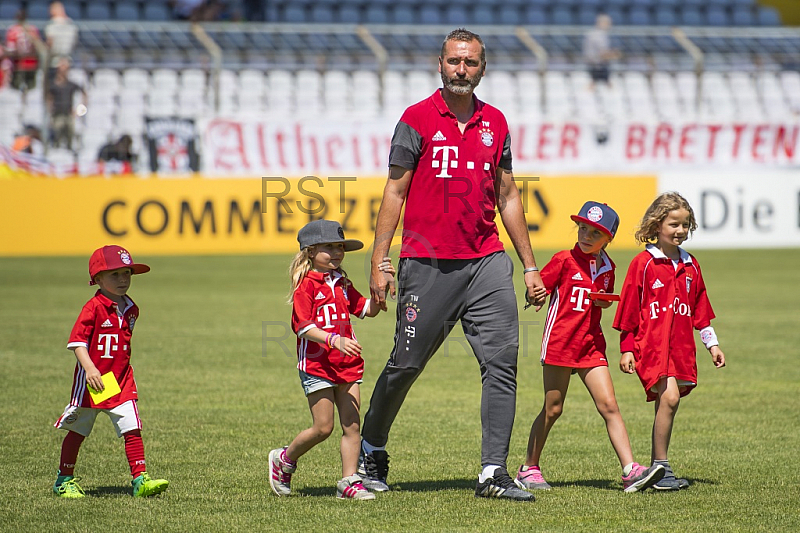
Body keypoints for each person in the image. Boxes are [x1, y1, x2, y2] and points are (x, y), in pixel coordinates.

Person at [358, 28, 547, 502]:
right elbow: (394, 192)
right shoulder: (416, 119)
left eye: (471, 63)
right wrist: (380, 261)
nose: (462, 70)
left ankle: (492, 472)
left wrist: (528, 265)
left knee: (502, 363)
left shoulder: (496, 123)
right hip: (425, 264)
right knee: (405, 364)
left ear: (484, 68)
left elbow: (507, 195)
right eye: (454, 62)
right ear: (439, 64)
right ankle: (371, 446)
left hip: (486, 261)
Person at [515, 201, 665, 494]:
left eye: (594, 232)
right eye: (582, 228)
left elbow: (602, 298)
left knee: (609, 406)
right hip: (561, 342)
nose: (585, 235)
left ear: (608, 238)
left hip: (591, 344)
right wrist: (535, 295)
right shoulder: (562, 259)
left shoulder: (609, 268)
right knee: (553, 408)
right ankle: (528, 468)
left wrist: (604, 301)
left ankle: (630, 471)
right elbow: (537, 290)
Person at [268, 219, 394, 500]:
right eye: (329, 247)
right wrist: (334, 340)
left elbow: (367, 309)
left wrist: (383, 288)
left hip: (347, 364)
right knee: (323, 427)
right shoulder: (306, 285)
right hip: (317, 365)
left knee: (352, 426)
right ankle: (284, 459)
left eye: (340, 247)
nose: (337, 253)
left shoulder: (343, 283)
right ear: (310, 251)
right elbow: (302, 326)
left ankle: (349, 481)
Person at [613, 192, 726, 491]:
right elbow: (629, 308)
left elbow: (701, 310)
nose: (680, 231)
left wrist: (711, 344)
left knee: (667, 401)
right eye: (674, 224)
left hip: (680, 350)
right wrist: (626, 348)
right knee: (671, 398)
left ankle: (657, 469)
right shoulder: (644, 263)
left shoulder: (691, 265)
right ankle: (661, 467)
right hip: (650, 348)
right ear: (657, 224)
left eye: (685, 225)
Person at [53, 245, 169, 498]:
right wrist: (90, 368)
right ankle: (64, 479)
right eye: (114, 274)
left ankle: (140, 480)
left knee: (132, 426)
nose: (123, 279)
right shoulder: (93, 307)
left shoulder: (131, 308)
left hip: (121, 379)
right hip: (94, 381)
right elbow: (77, 342)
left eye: (126, 273)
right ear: (97, 279)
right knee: (79, 430)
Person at [46, 56, 84, 150]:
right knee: (56, 135)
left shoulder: (71, 85)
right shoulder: (53, 85)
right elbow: (49, 98)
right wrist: (50, 109)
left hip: (68, 114)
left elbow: (84, 94)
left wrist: (79, 109)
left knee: (70, 135)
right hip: (57, 115)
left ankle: (70, 152)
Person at [4, 9, 42, 94]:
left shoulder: (14, 30)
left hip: (23, 64)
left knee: (25, 91)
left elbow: (11, 49)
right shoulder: (32, 29)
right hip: (24, 64)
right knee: (23, 91)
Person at [583, 14, 620, 89]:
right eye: (608, 23)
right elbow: (602, 53)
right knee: (595, 85)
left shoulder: (593, 34)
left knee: (601, 84)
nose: (610, 25)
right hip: (597, 65)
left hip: (595, 64)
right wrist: (615, 54)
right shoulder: (599, 35)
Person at [45, 2, 78, 77]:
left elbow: (50, 43)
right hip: (68, 60)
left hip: (54, 62)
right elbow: (74, 43)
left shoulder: (51, 26)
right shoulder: (72, 25)